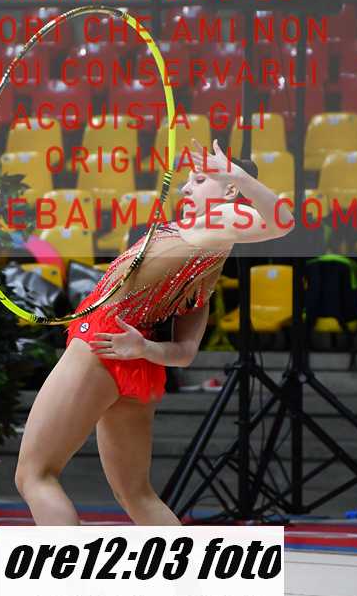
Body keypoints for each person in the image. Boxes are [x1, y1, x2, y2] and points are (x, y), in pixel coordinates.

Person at [15, 139, 294, 526]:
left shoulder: (217, 222)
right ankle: (186, 570)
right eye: (189, 180)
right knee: (136, 494)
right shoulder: (206, 257)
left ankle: (68, 567)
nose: (186, 188)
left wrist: (237, 174)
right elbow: (185, 352)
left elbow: (282, 222)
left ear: (231, 191)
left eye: (200, 180)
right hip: (135, 358)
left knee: (35, 475)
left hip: (102, 345)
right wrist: (143, 348)